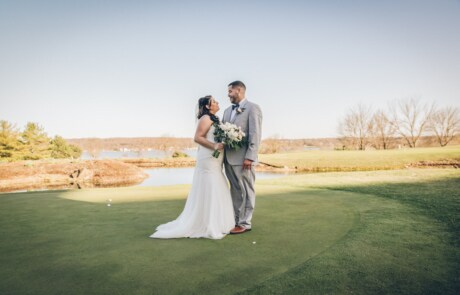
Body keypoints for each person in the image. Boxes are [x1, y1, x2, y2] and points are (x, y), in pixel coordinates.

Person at [150, 95, 235, 239]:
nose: (217, 102)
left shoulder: (215, 119)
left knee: (217, 182)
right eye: (214, 101)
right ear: (207, 106)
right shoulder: (205, 118)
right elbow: (197, 137)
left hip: (216, 157)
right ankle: (207, 222)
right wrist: (215, 145)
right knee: (211, 184)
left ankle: (218, 221)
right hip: (208, 157)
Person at [223, 81, 263, 234]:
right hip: (228, 159)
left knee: (247, 190)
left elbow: (255, 134)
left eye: (230, 91)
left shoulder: (253, 108)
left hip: (244, 159)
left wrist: (250, 157)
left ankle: (245, 223)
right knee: (235, 191)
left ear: (239, 90)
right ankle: (235, 220)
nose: (228, 94)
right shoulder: (227, 111)